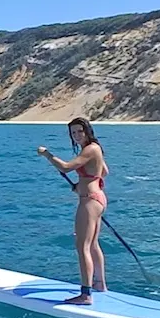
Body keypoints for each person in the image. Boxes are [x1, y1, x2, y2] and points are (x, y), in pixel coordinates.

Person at [37, 117, 110, 305]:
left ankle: (86, 295)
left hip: (90, 201)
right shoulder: (95, 149)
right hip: (97, 198)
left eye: (80, 131)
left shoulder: (91, 148)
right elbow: (104, 171)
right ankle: (100, 284)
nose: (77, 135)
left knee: (82, 246)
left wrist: (47, 155)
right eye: (73, 133)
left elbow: (66, 167)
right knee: (93, 244)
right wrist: (84, 183)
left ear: (88, 131)